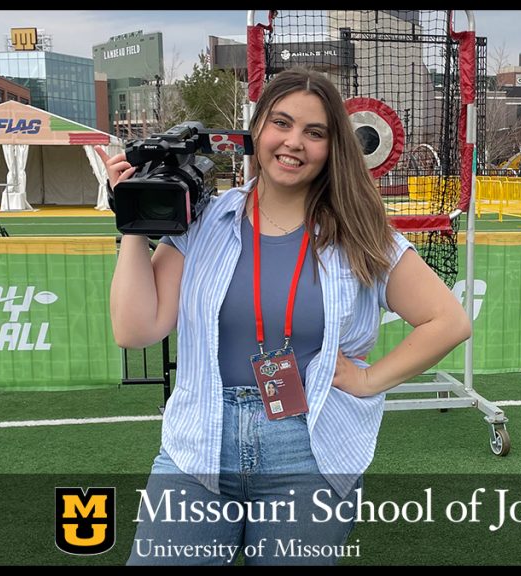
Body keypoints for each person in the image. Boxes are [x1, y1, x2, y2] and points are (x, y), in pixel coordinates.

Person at [96, 67, 471, 566]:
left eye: (314, 132)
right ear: (258, 131)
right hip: (201, 441)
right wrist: (134, 224)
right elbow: (135, 328)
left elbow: (448, 320)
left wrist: (366, 380)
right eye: (281, 123)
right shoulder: (206, 222)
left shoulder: (360, 234)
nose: (294, 142)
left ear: (332, 146)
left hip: (306, 450)